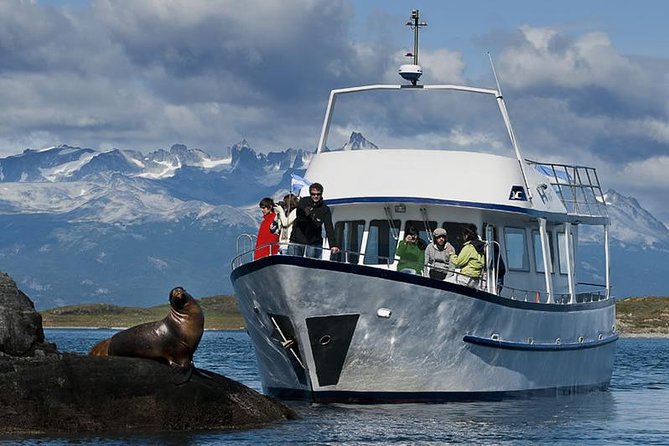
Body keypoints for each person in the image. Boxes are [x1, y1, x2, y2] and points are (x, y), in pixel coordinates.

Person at [289, 183, 340, 258]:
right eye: (313, 194)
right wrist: (306, 213)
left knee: (311, 265)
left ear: (321, 194)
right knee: (291, 263)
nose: (315, 196)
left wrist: (333, 245)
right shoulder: (303, 202)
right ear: (310, 194)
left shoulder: (324, 209)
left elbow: (329, 227)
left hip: (313, 242)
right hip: (297, 240)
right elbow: (299, 216)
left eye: (318, 194)